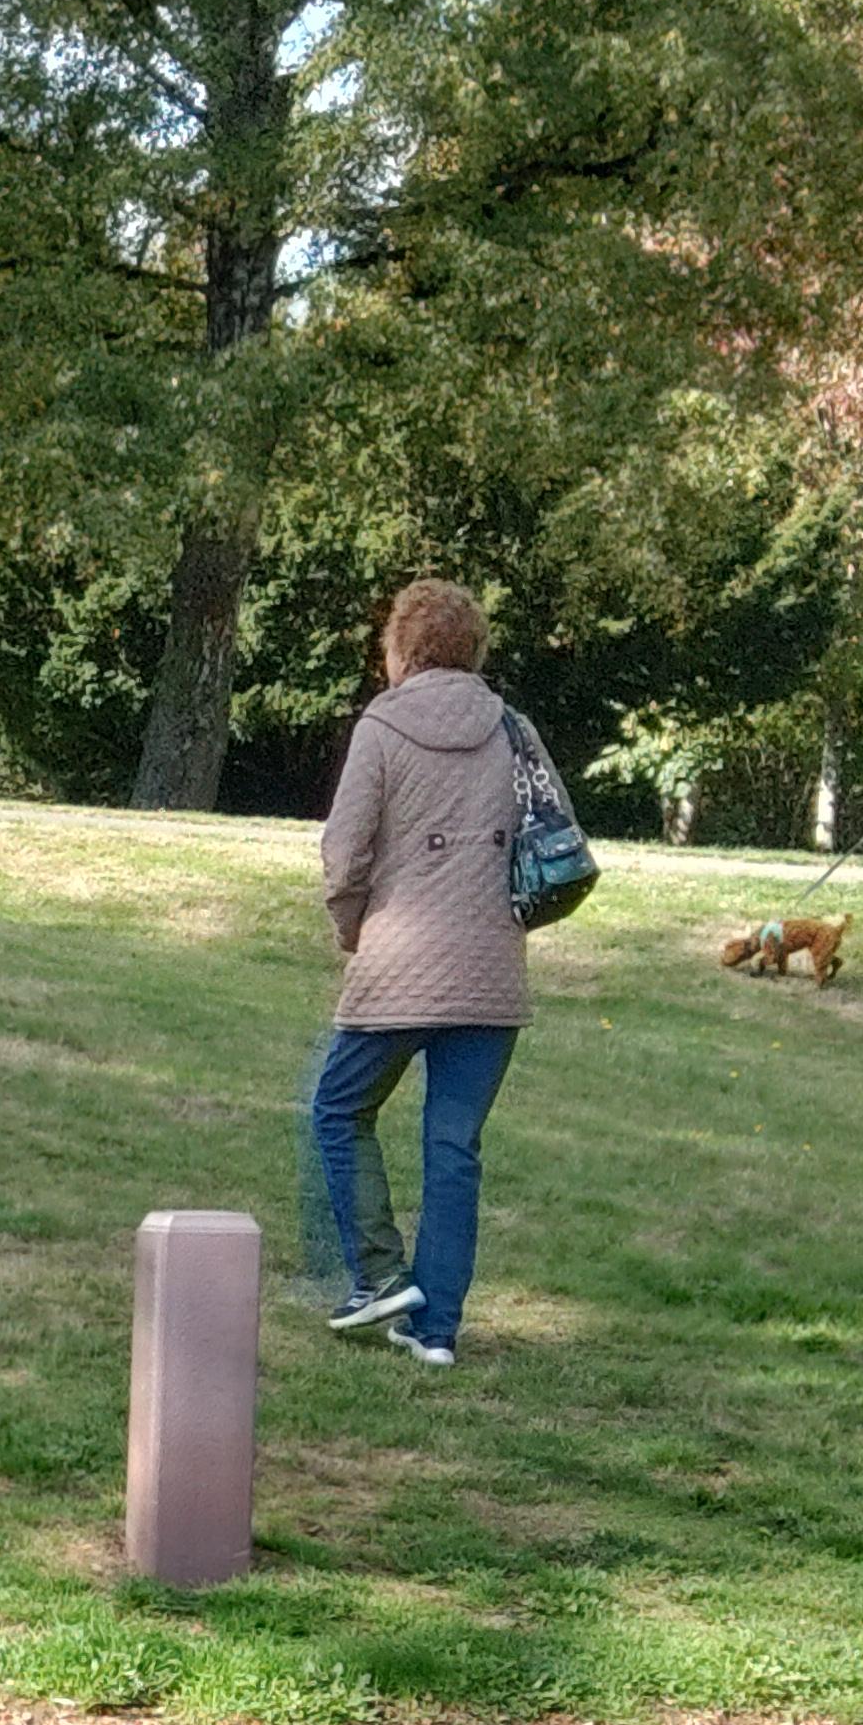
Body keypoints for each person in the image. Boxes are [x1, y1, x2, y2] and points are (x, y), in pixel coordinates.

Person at [306, 577, 551, 1371]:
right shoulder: (513, 729)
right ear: (474, 649)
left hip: (400, 965)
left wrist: (353, 930)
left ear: (400, 652)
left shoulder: (382, 728)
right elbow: (552, 841)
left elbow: (344, 856)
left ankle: (378, 1274)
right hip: (491, 971)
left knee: (339, 1109)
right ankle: (436, 1329)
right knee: (454, 1147)